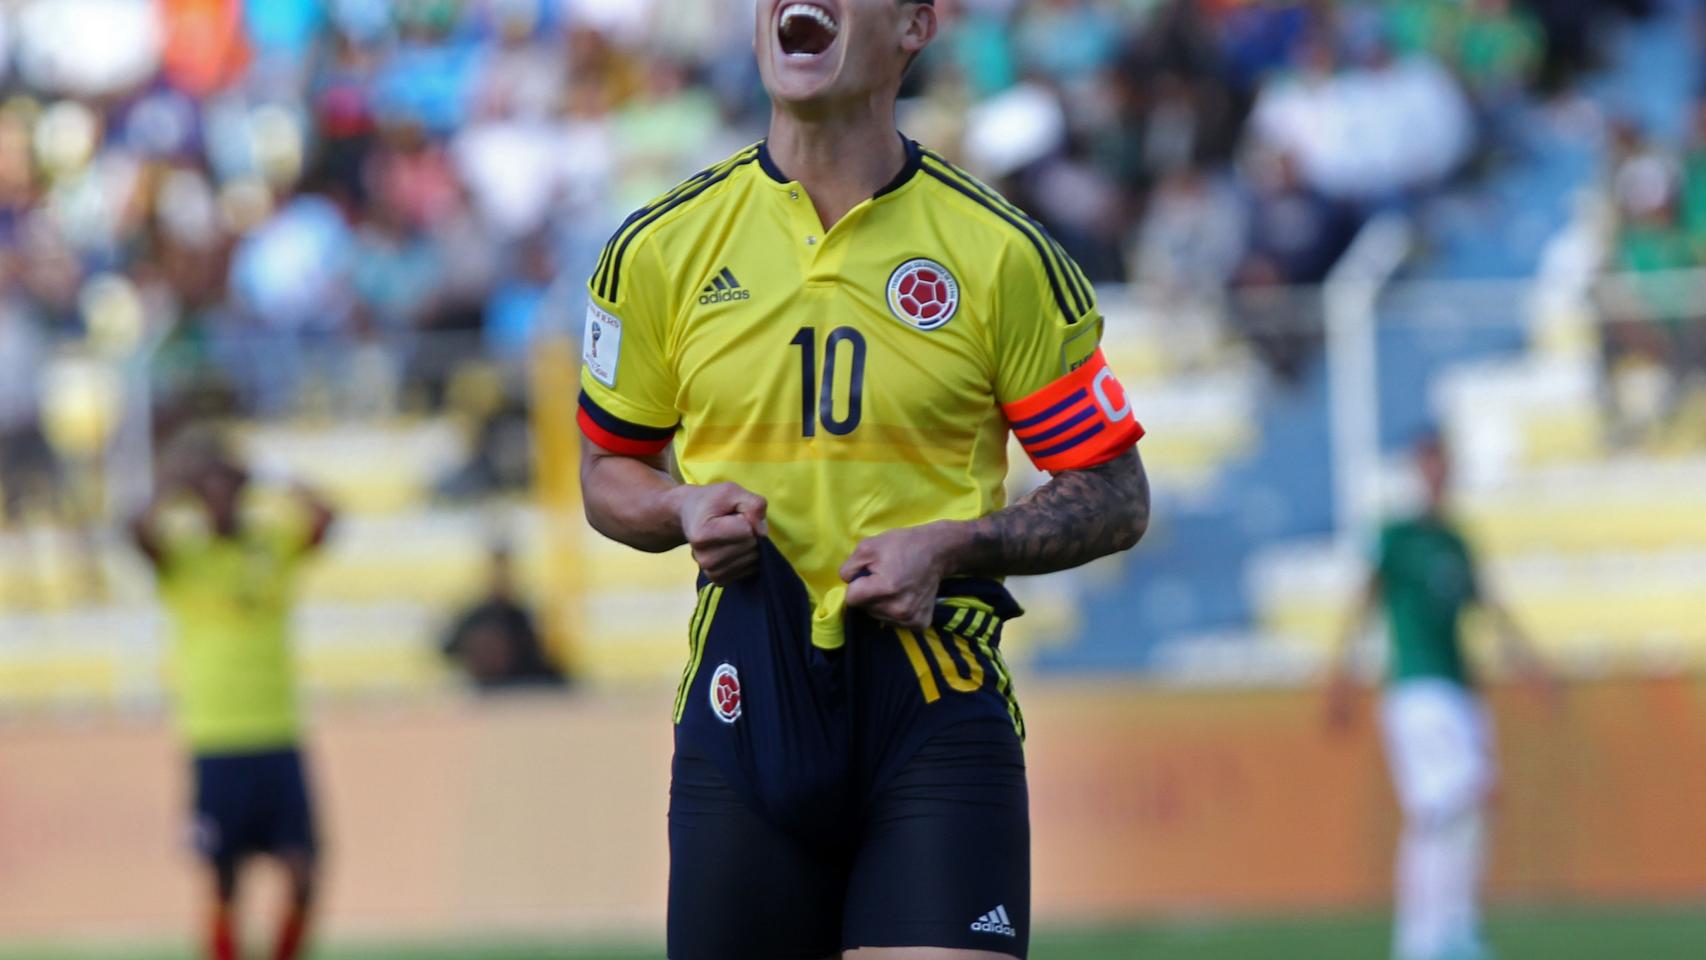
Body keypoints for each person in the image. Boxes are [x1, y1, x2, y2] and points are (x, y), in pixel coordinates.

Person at [576, 3, 1150, 959]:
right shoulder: (658, 250)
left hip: (932, 707)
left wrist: (954, 542)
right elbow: (608, 470)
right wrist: (679, 507)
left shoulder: (1003, 254)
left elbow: (1116, 491)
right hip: (741, 704)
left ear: (915, 23)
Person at [1325, 434, 1553, 960]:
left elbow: (1490, 609)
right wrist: (1339, 676)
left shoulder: (1456, 542)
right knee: (1455, 799)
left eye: (1444, 465)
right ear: (1416, 471)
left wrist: (1531, 667)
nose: (1437, 475)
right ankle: (1432, 939)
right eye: (1429, 465)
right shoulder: (1396, 537)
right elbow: (1363, 603)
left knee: (1456, 809)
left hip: (1459, 690)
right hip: (1416, 688)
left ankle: (1446, 931)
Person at [131, 429, 335, 960]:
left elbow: (328, 518)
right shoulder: (184, 558)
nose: (220, 499)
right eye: (209, 491)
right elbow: (133, 533)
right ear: (197, 499)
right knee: (223, 880)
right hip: (216, 739)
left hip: (277, 734)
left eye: (229, 488)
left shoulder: (272, 546)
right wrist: (174, 481)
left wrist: (269, 474)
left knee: (305, 870)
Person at [441, 543, 567, 691]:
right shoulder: (475, 614)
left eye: (505, 572)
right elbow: (448, 649)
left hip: (517, 688)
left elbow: (538, 659)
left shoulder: (519, 616)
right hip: (485, 691)